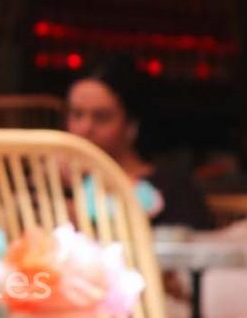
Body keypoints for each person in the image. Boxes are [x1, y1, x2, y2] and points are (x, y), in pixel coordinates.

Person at [66, 59, 211, 229]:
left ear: (131, 125)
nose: (85, 128)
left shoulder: (172, 191)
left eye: (101, 117)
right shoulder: (54, 184)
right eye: (76, 114)